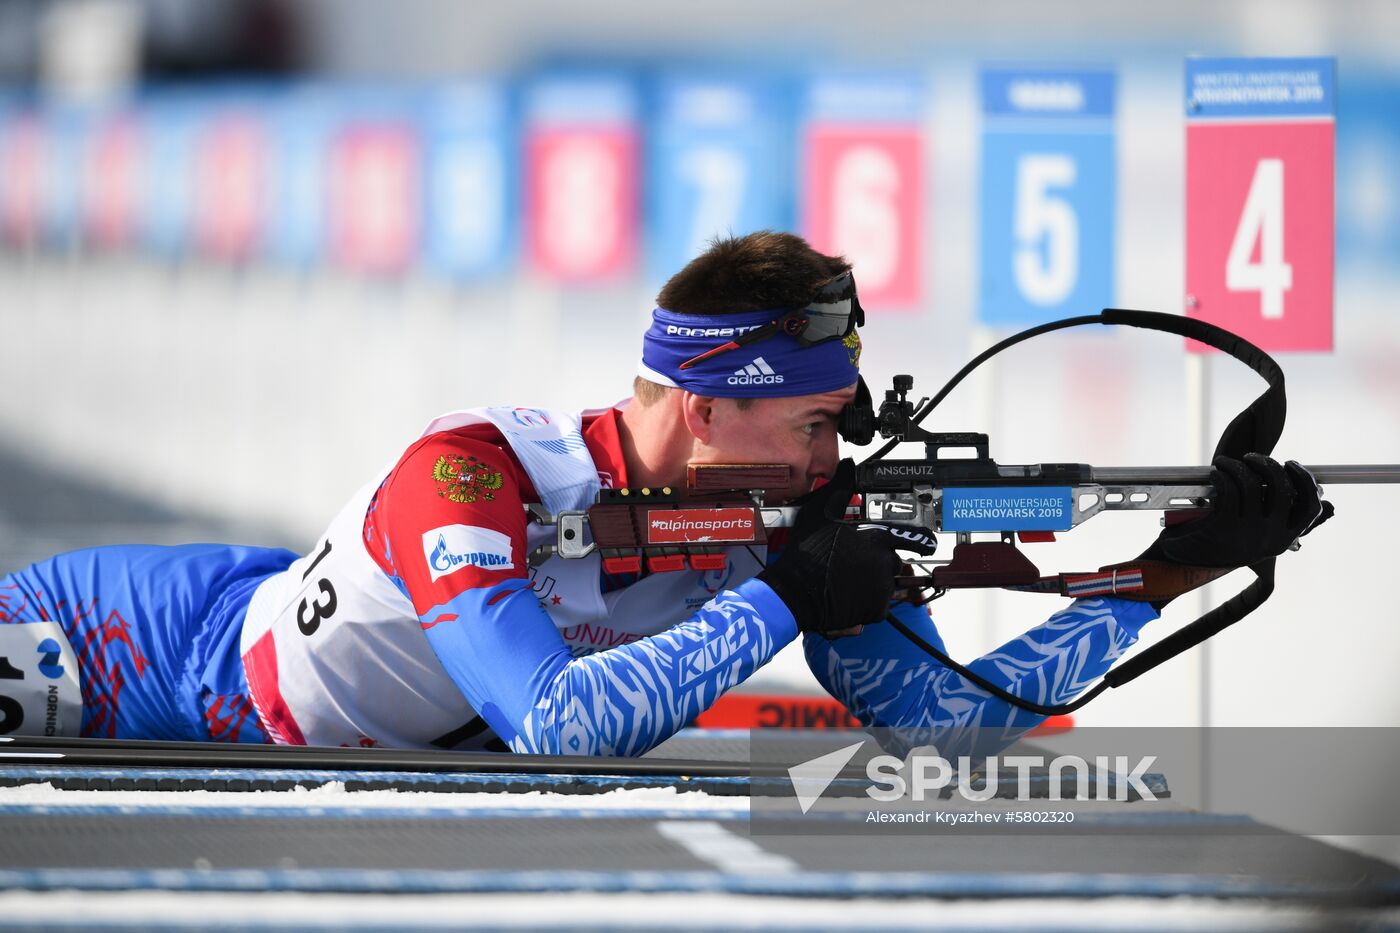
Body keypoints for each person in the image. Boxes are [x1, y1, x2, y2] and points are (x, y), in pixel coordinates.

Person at [0, 232, 1327, 755]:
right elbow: (557, 727)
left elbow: (955, 726)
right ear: (707, 407)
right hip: (133, 650)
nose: (831, 462)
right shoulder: (468, 473)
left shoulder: (781, 517)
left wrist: (1167, 568)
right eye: (813, 426)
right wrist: (782, 601)